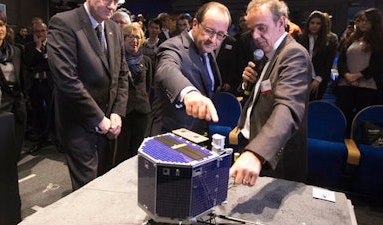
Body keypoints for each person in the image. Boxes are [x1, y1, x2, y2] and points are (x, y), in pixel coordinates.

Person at [47, 0, 129, 190]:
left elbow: (122, 74)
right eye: (109, 0)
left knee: (106, 182)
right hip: (80, 124)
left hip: (110, 124)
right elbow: (67, 80)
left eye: (117, 2)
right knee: (88, 190)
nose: (113, 6)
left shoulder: (114, 29)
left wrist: (117, 111)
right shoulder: (63, 23)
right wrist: (98, 118)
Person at [229, 0, 313, 186]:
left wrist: (257, 152)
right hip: (253, 144)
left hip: (275, 158)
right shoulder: (268, 54)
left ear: (281, 23)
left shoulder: (293, 54)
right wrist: (247, 84)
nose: (256, 36)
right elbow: (260, 95)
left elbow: (288, 107)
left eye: (262, 28)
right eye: (252, 30)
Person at [149, 1, 231, 136]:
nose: (213, 39)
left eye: (220, 34)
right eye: (209, 31)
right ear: (195, 24)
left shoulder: (207, 50)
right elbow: (166, 69)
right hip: (170, 138)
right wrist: (189, 92)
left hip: (197, 135)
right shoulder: (172, 46)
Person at [0, 7, 27, 161]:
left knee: (14, 153)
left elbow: (21, 79)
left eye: (1, 24)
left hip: (17, 108)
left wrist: (23, 101)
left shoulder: (16, 51)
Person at [335, 8, 383, 129]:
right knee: (343, 116)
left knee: (363, 121)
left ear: (374, 22)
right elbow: (341, 60)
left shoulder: (379, 41)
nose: (363, 23)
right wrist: (347, 75)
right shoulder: (351, 38)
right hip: (346, 84)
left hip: (368, 86)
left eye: (367, 21)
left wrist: (358, 75)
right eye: (361, 21)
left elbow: (378, 65)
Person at [115, 23, 152, 165]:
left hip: (142, 111)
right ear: (123, 39)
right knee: (121, 149)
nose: (134, 40)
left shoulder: (147, 61)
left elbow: (148, 86)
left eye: (137, 37)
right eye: (130, 36)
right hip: (122, 111)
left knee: (138, 148)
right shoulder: (116, 60)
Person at [24, 21, 57, 153]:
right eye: (37, 32)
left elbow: (51, 64)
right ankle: (40, 139)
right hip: (35, 84)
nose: (40, 34)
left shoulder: (54, 45)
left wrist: (38, 63)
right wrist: (38, 48)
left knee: (53, 111)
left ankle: (55, 138)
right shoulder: (28, 46)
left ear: (47, 31)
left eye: (42, 31)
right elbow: (28, 63)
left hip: (50, 83)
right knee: (37, 112)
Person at [296, 11, 338, 101]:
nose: (314, 25)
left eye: (318, 23)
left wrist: (318, 79)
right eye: (312, 23)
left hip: (319, 79)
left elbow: (328, 62)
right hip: (300, 78)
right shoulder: (299, 38)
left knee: (314, 105)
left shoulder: (330, 40)